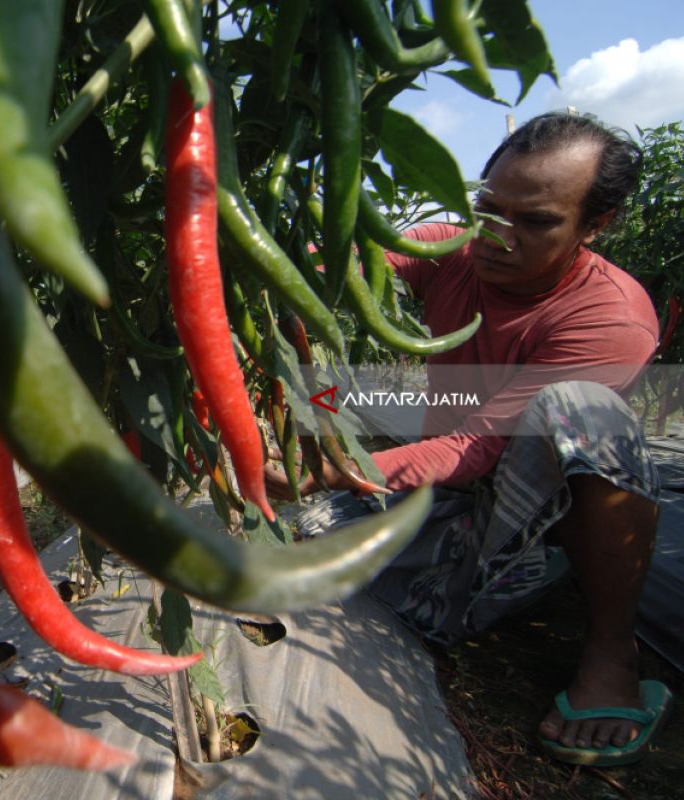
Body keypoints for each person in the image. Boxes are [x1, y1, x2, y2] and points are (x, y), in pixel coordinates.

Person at [266, 111, 672, 766]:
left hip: (520, 507)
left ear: (595, 225)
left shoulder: (608, 316)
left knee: (585, 411)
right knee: (296, 527)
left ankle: (610, 652)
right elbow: (338, 265)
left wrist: (336, 469)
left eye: (534, 221)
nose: (493, 236)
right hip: (438, 484)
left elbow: (478, 447)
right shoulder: (449, 249)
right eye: (486, 207)